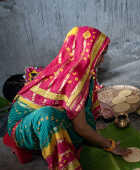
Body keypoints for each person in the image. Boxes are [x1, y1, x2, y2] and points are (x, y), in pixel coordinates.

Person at [3, 26, 130, 170]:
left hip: (39, 117)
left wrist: (99, 108)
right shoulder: (74, 76)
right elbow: (80, 127)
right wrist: (110, 145)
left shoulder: (83, 72)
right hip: (22, 126)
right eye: (100, 54)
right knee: (49, 117)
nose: (102, 59)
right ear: (88, 52)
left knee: (77, 113)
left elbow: (74, 102)